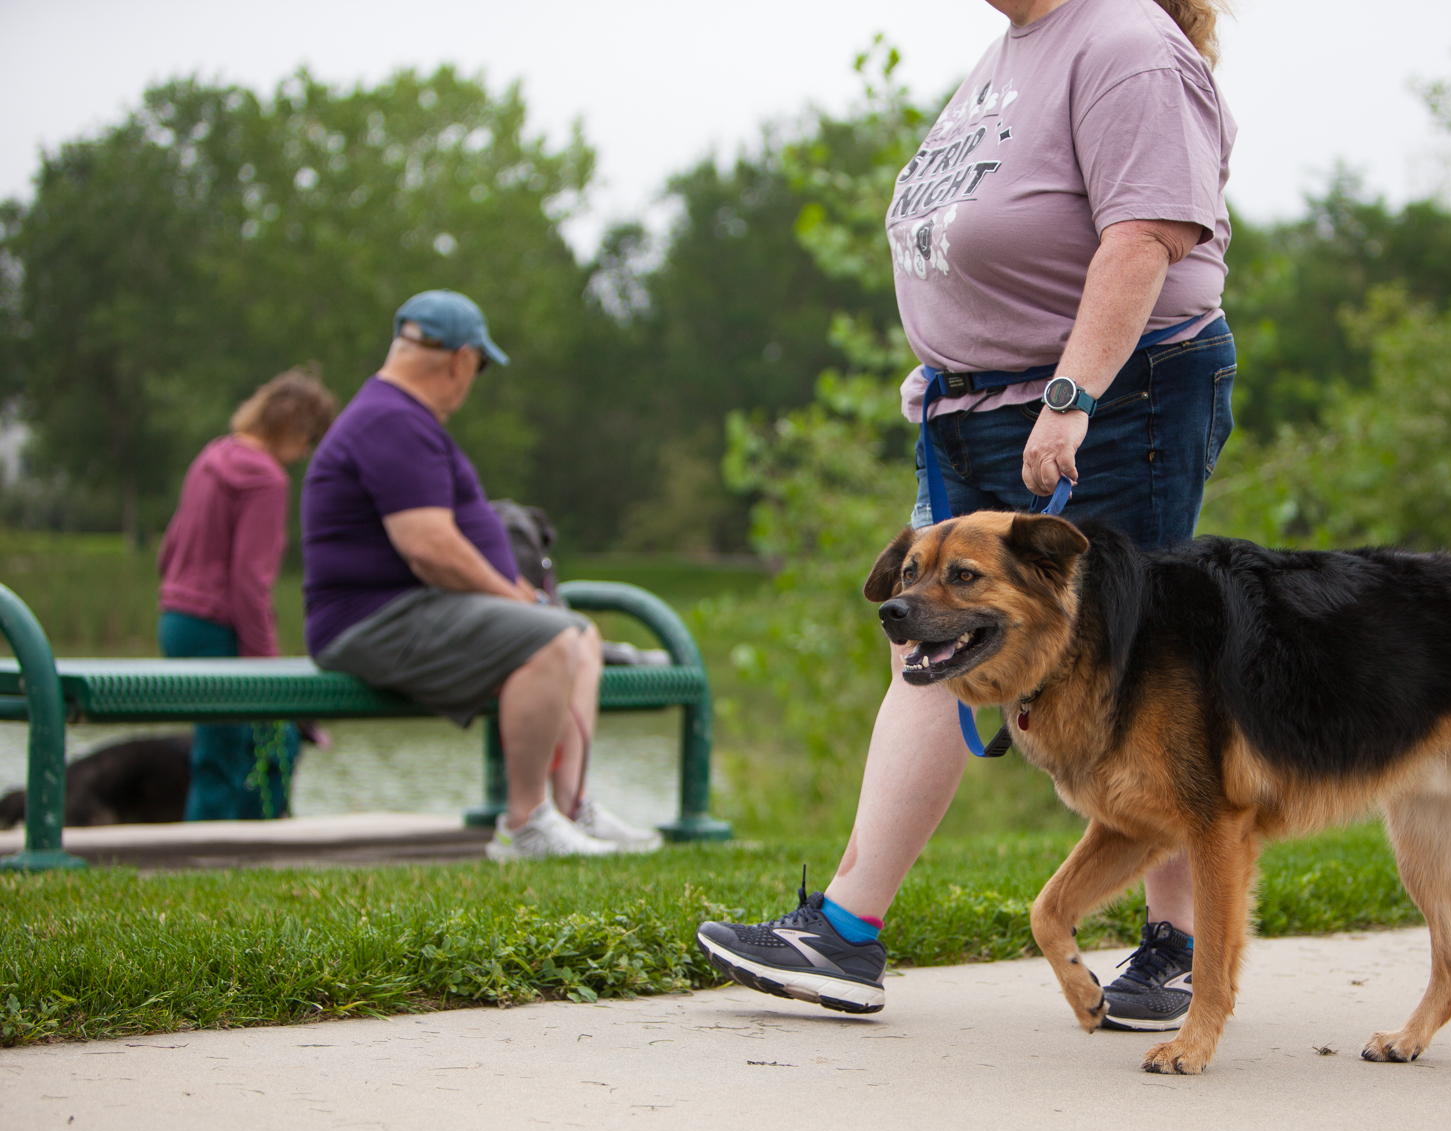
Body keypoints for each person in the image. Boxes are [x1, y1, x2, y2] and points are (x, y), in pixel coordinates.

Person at [698, 0, 1237, 1028]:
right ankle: (845, 932)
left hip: (1112, 404)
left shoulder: (1125, 43)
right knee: (928, 645)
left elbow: (1145, 237)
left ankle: (1178, 944)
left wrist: (1071, 399)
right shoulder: (1012, 54)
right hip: (979, 412)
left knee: (1149, 660)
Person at [301, 290, 657, 857]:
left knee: (579, 635)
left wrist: (514, 596)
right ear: (460, 360)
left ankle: (572, 808)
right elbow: (428, 546)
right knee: (552, 638)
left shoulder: (397, 416)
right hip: (373, 620)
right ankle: (524, 824)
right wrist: (509, 596)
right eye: (480, 366)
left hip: (409, 611)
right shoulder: (389, 419)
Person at [157, 365, 338, 820]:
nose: (304, 452)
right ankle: (237, 853)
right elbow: (250, 583)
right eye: (308, 439)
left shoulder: (212, 457)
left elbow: (169, 548)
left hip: (177, 620)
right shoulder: (264, 478)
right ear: (294, 429)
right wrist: (266, 668)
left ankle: (215, 848)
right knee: (268, 742)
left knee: (217, 746)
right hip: (219, 625)